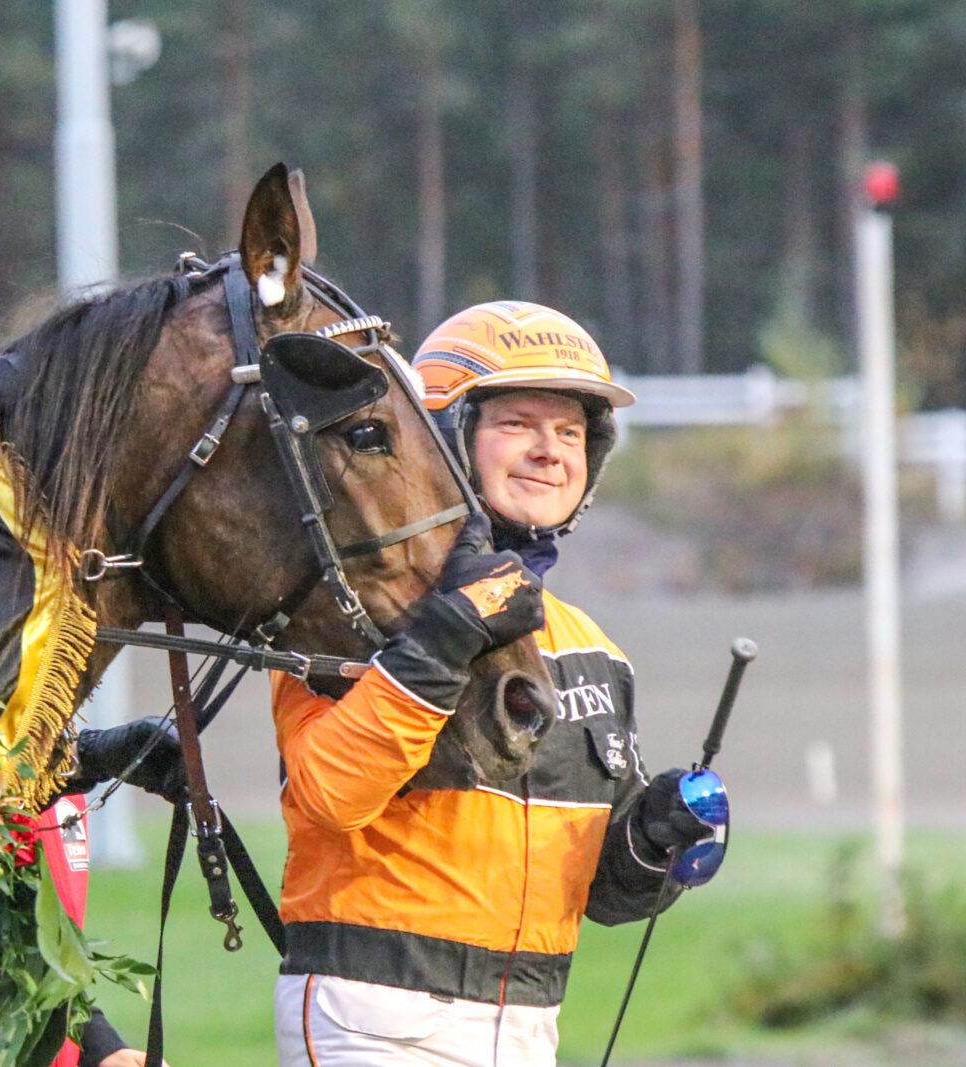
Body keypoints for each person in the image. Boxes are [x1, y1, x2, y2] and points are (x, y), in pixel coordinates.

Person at [268, 300, 713, 1066]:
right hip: (378, 1016)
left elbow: (603, 893)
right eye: (517, 424)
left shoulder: (592, 648)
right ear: (443, 441)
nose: (550, 451)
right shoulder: (346, 612)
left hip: (529, 1026)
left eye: (570, 432)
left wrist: (654, 840)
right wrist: (449, 634)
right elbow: (330, 795)